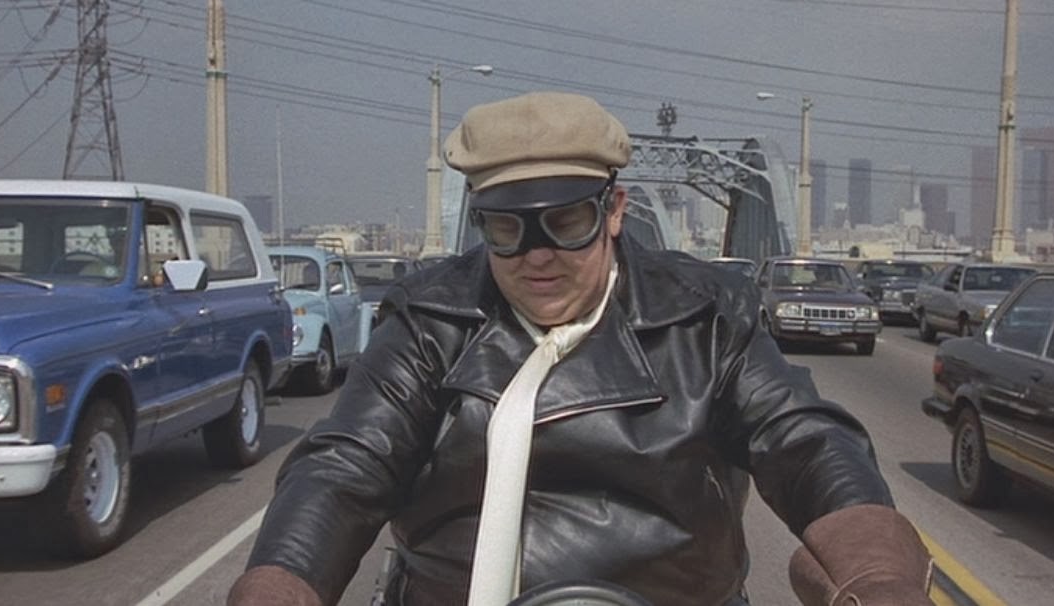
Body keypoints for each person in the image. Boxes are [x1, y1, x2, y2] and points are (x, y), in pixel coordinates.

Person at [228, 92, 934, 606]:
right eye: (508, 229)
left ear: (614, 212)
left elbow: (801, 438)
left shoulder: (706, 315)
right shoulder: (428, 320)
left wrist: (876, 577)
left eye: (564, 223)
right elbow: (347, 464)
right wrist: (279, 587)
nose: (537, 255)